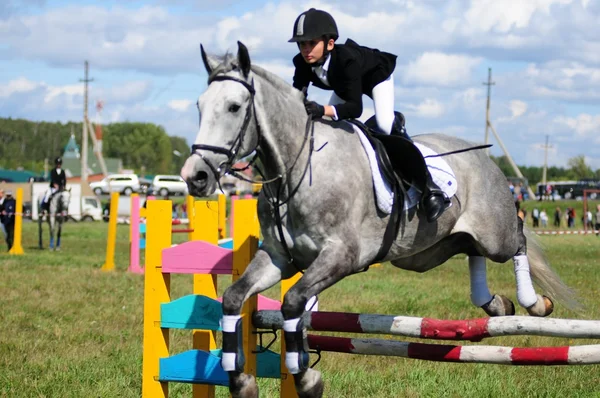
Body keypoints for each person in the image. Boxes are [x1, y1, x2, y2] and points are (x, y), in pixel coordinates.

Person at [288, 8, 447, 222]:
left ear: (330, 44)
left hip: (375, 77)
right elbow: (296, 97)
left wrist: (322, 109)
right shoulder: (301, 63)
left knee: (383, 123)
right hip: (345, 85)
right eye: (302, 44)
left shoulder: (346, 60)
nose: (306, 50)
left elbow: (355, 109)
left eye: (311, 43)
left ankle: (430, 188)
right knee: (325, 125)